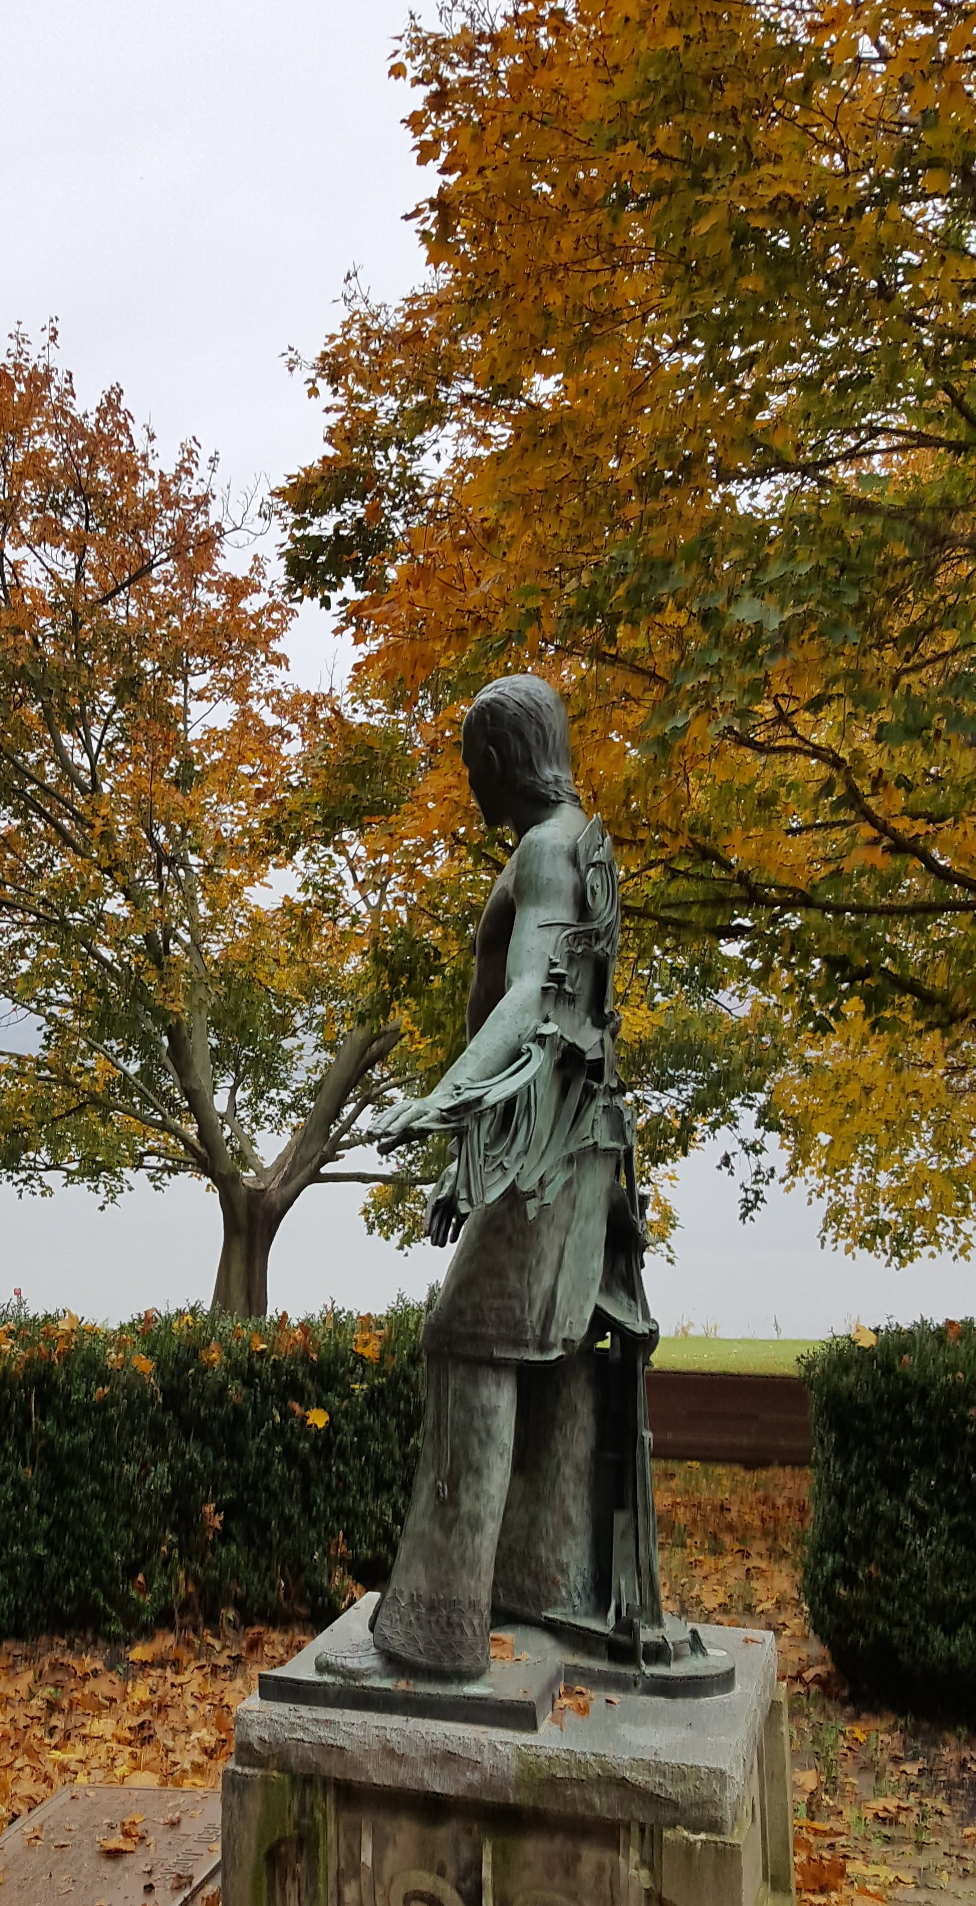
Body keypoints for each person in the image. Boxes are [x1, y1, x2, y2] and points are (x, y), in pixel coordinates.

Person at [367, 672, 656, 1677]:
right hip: (575, 1150)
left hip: (550, 1161)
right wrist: (467, 1164)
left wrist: (443, 1094)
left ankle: (437, 1622)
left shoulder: (542, 849)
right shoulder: (585, 841)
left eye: (472, 764)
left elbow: (534, 992)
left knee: (467, 1346)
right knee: (561, 1355)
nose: (472, 786)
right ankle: (547, 1581)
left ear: (499, 756)